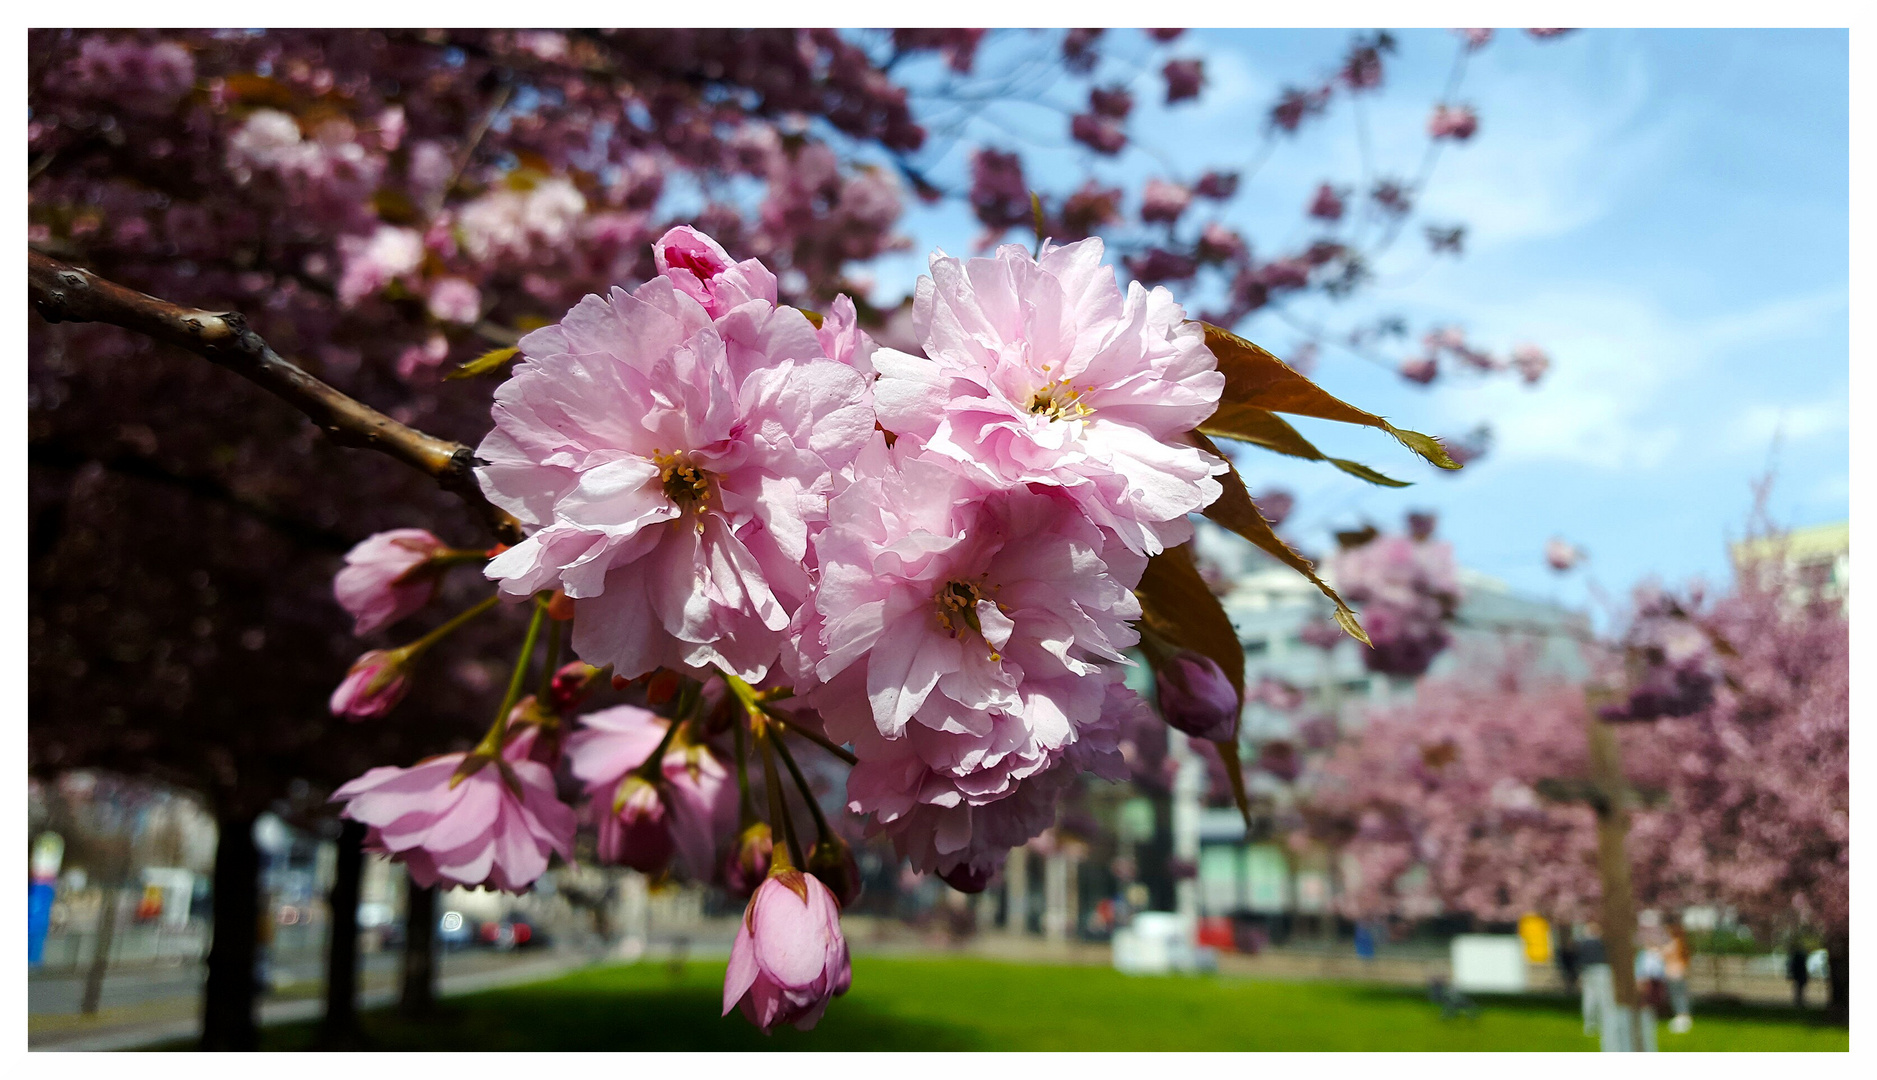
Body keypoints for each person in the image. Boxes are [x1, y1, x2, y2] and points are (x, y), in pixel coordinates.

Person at [1578, 923, 1611, 1037]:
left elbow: (1580, 960)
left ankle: (1589, 1024)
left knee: (1589, 998)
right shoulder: (1602, 943)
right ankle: (1603, 1022)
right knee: (1603, 998)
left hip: (1588, 971)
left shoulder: (1583, 944)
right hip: (1602, 971)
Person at [1662, 920, 1692, 1033]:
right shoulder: (1681, 943)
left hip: (1674, 973)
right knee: (1680, 996)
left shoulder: (1674, 943)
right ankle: (1682, 1016)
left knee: (1677, 996)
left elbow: (1664, 954)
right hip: (1679, 972)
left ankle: (1682, 1016)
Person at [1787, 942, 1811, 1009]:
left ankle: (1798, 1000)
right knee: (1800, 988)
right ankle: (1800, 1000)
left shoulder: (1795, 956)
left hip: (1798, 974)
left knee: (1798, 988)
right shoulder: (1801, 956)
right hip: (1801, 974)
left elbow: (1792, 966)